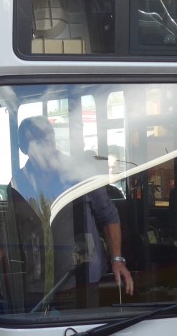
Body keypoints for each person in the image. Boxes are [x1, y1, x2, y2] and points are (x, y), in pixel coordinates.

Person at [14, 116, 133, 298]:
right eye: (36, 140)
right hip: (38, 284)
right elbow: (6, 234)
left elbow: (108, 216)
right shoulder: (17, 184)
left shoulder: (80, 173)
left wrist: (117, 259)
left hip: (82, 281)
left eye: (47, 138)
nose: (45, 145)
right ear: (23, 148)